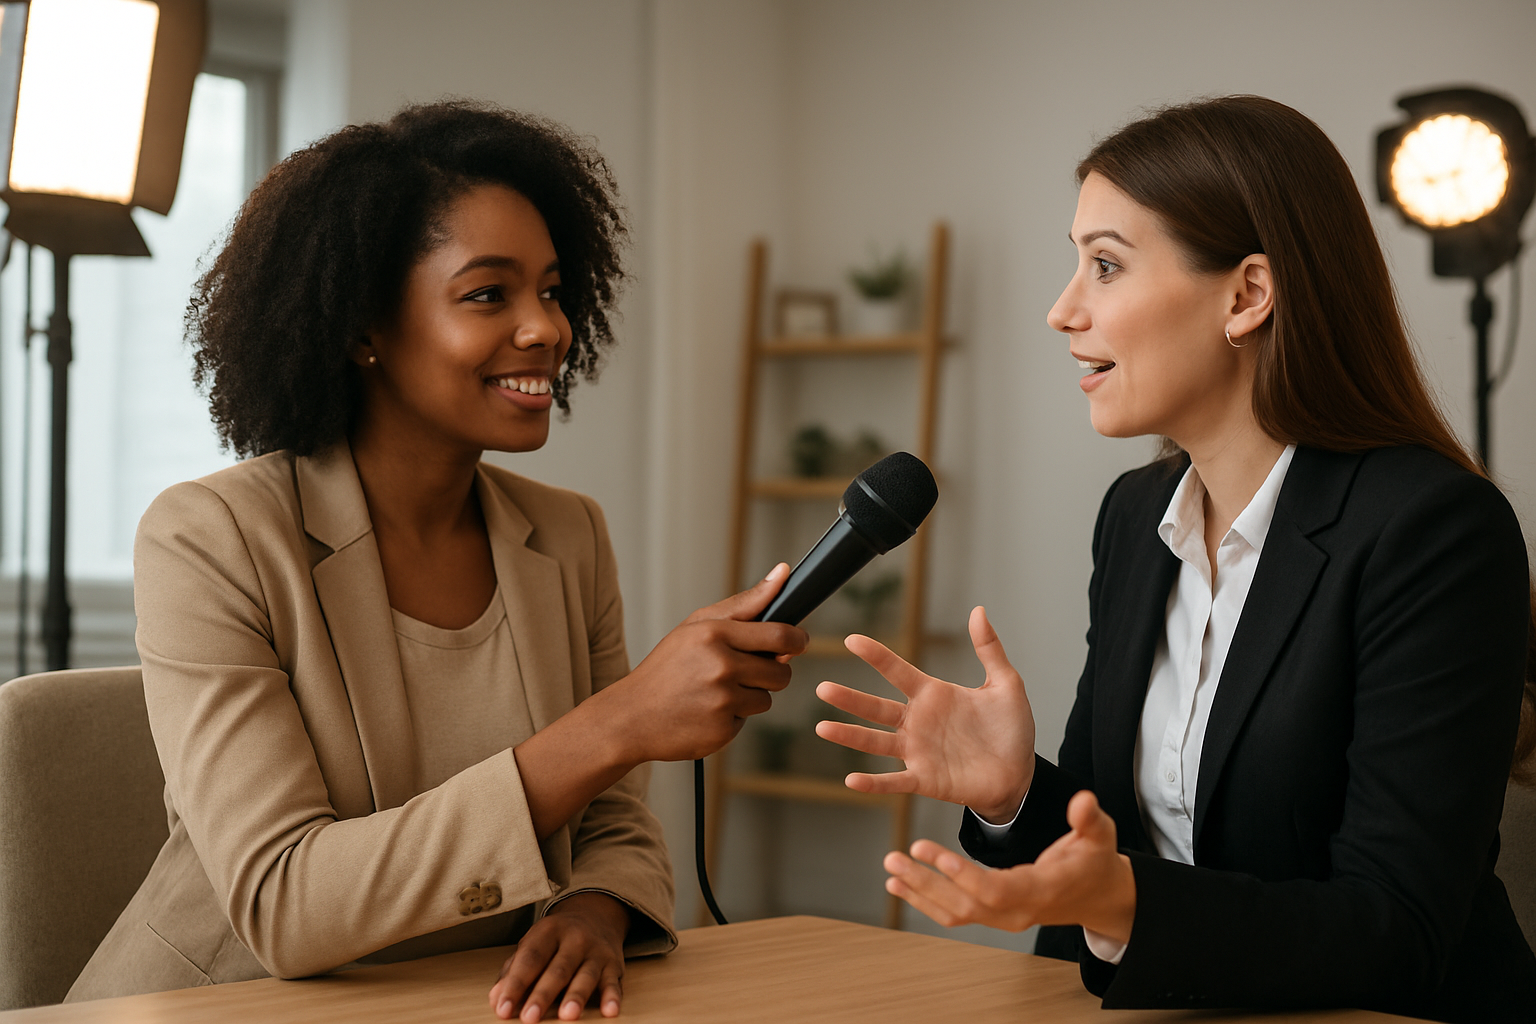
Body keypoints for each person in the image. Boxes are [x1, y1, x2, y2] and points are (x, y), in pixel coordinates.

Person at [66, 102, 807, 1024]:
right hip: (221, 1006)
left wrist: (595, 908)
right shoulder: (211, 537)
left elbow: (613, 825)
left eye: (551, 288)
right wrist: (617, 722)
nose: (546, 329)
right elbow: (285, 905)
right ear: (362, 328)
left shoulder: (567, 536)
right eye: (488, 295)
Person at [815, 95, 1536, 1023]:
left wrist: (1126, 904)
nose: (1062, 309)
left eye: (1105, 265)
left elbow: (1396, 929)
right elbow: (1100, 848)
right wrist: (1015, 792)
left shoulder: (1433, 532)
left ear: (1247, 295)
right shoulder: (1135, 516)